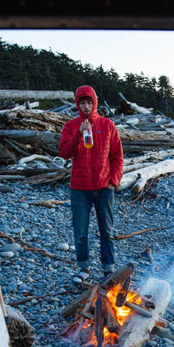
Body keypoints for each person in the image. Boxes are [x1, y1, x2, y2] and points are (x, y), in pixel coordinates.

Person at [58, 85, 124, 280]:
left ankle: (108, 268)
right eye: (82, 103)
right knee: (80, 232)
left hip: (104, 188)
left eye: (89, 102)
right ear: (77, 104)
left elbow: (118, 156)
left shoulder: (107, 125)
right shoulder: (71, 126)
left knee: (107, 231)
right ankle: (83, 269)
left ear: (94, 103)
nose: (86, 107)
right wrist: (79, 133)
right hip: (80, 189)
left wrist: (113, 181)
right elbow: (64, 152)